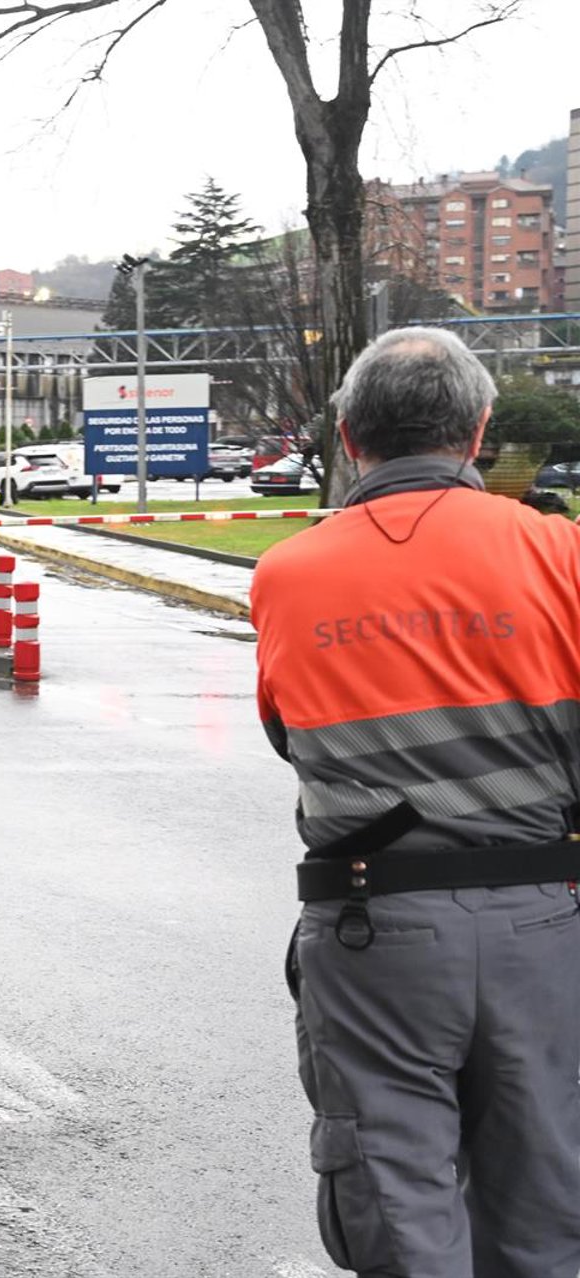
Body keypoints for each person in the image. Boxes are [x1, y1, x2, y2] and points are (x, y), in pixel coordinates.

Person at [252, 327, 580, 1276]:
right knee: (547, 1187)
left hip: (374, 925)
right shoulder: (560, 552)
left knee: (395, 1196)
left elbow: (287, 732)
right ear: (478, 432)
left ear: (349, 436)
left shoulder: (287, 573)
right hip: (544, 920)